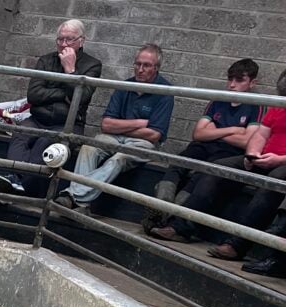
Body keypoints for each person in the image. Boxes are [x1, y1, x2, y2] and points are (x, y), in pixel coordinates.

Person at [149, 68, 286, 267]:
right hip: (263, 157)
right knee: (218, 168)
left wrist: (279, 159)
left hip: (281, 164)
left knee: (273, 181)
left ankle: (237, 245)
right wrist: (253, 153)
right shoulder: (278, 105)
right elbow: (261, 135)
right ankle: (181, 227)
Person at [141, 58, 262, 234]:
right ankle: (162, 206)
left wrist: (215, 130)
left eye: (239, 80)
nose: (232, 85)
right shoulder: (218, 100)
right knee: (178, 163)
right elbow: (198, 134)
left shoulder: (256, 105)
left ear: (252, 83)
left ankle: (170, 217)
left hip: (228, 152)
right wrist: (233, 130)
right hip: (203, 145)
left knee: (201, 175)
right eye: (230, 79)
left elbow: (246, 142)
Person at [55, 44, 174, 211]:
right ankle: (81, 202)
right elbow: (106, 125)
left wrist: (120, 125)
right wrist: (140, 123)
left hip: (143, 143)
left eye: (146, 65)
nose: (140, 69)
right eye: (137, 64)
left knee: (119, 158)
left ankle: (72, 196)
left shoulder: (165, 92)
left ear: (156, 68)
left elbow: (154, 134)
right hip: (116, 137)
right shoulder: (125, 86)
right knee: (89, 147)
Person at [0, 19, 102, 197]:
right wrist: (63, 93)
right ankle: (14, 177)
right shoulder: (45, 60)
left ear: (82, 41)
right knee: (20, 133)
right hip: (37, 118)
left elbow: (80, 98)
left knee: (45, 141)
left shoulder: (92, 65)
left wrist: (71, 71)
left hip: (68, 123)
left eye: (70, 40)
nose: (64, 44)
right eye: (60, 39)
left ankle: (14, 183)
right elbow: (34, 95)